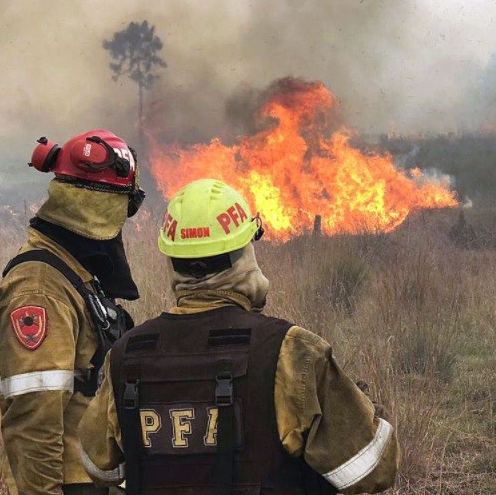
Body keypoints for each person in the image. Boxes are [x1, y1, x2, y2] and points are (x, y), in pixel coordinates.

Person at [78, 179, 399, 494]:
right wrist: (364, 404)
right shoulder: (291, 351)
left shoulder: (127, 355)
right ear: (243, 253)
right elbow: (371, 470)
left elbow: (99, 466)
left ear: (172, 261)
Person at [0, 130, 145, 494]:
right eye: (124, 206)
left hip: (88, 481)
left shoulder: (73, 274)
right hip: (64, 485)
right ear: (102, 206)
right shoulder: (40, 290)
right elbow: (33, 422)